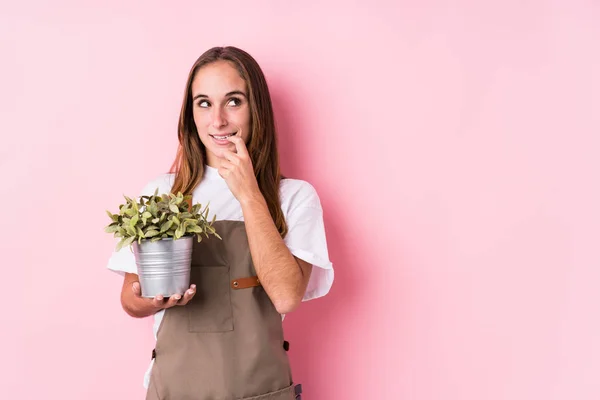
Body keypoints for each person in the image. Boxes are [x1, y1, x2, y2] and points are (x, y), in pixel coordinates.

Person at [106, 46, 334, 400]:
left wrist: (249, 194)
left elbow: (287, 297)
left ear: (255, 108)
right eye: (204, 103)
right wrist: (154, 300)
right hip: (175, 390)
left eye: (233, 101)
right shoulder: (162, 194)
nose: (218, 121)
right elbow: (130, 300)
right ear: (190, 114)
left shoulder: (293, 197)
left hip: (261, 391)